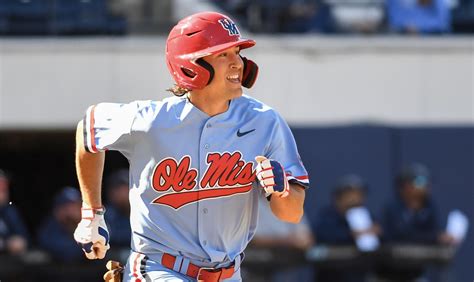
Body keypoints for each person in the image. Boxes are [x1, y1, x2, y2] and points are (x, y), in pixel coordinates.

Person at [73, 11, 309, 281]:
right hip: (159, 268)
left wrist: (280, 192)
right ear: (192, 65)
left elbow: (292, 214)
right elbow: (88, 129)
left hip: (230, 273)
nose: (238, 63)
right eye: (223, 55)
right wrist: (91, 213)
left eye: (237, 52)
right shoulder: (151, 120)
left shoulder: (265, 121)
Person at [377, 163, 455, 281]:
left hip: (414, 274)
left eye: (427, 182)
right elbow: (397, 235)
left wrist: (441, 237)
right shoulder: (392, 207)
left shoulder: (429, 206)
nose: (425, 186)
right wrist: (433, 237)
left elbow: (435, 232)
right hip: (387, 274)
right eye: (419, 181)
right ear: (404, 186)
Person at [313, 174, 380, 282]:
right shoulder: (328, 215)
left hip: (358, 274)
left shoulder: (365, 216)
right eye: (351, 194)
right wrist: (350, 234)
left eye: (359, 194)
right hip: (331, 274)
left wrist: (377, 232)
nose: (355, 198)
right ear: (339, 197)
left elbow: (379, 240)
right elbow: (321, 236)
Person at [248, 194, 314, 281]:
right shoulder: (254, 205)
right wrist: (286, 241)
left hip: (290, 259)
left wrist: (302, 242)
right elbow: (253, 240)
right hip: (259, 263)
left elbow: (308, 239)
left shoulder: (292, 205)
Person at [38, 186, 83, 262]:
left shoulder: (90, 226)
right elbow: (68, 253)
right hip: (56, 270)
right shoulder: (50, 227)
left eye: (74, 206)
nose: (70, 212)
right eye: (65, 207)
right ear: (56, 210)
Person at [0, 169, 29, 256]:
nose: (4, 191)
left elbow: (24, 237)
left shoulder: (9, 210)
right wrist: (6, 244)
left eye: (5, 187)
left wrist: (20, 242)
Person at [104, 169, 131, 249]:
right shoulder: (106, 214)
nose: (118, 192)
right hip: (115, 255)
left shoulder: (143, 210)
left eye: (122, 188)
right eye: (115, 188)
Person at [386, 0, 451, 34]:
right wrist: (407, 26)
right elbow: (394, 19)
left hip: (432, 37)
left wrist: (420, 27)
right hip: (401, 36)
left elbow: (442, 22)